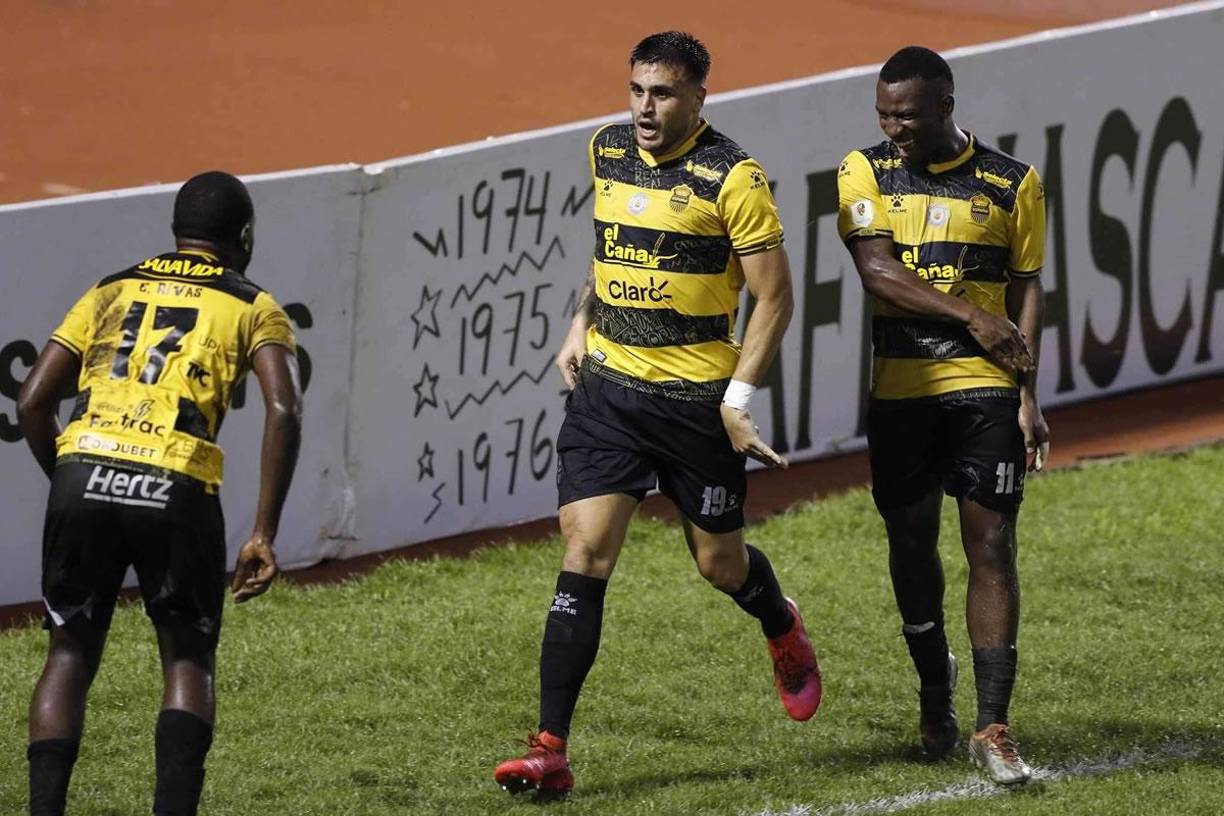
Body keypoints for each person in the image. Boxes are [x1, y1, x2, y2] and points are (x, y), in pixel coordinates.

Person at [493, 31, 821, 798]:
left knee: (720, 565)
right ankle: (551, 749)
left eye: (663, 93)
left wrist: (737, 401)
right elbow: (611, 250)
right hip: (608, 393)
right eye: (637, 89)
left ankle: (780, 624)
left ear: (698, 97)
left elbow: (775, 298)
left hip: (692, 405)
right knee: (586, 552)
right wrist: (581, 321)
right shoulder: (606, 149)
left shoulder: (732, 177)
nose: (645, 107)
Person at [17, 171, 302, 816]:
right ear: (245, 236)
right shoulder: (254, 305)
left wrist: (69, 474)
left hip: (83, 472)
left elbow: (34, 401)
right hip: (176, 477)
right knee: (187, 660)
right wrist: (263, 531)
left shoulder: (110, 288)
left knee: (69, 652)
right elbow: (284, 409)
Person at [836, 46, 1049, 785]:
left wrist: (1027, 394)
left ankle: (993, 726)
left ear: (946, 108)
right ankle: (935, 688)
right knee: (911, 540)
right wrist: (971, 315)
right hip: (901, 389)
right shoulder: (863, 171)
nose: (893, 127)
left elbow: (1025, 292)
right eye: (884, 113)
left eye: (907, 115)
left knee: (991, 544)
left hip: (985, 388)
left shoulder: (1013, 182)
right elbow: (877, 271)